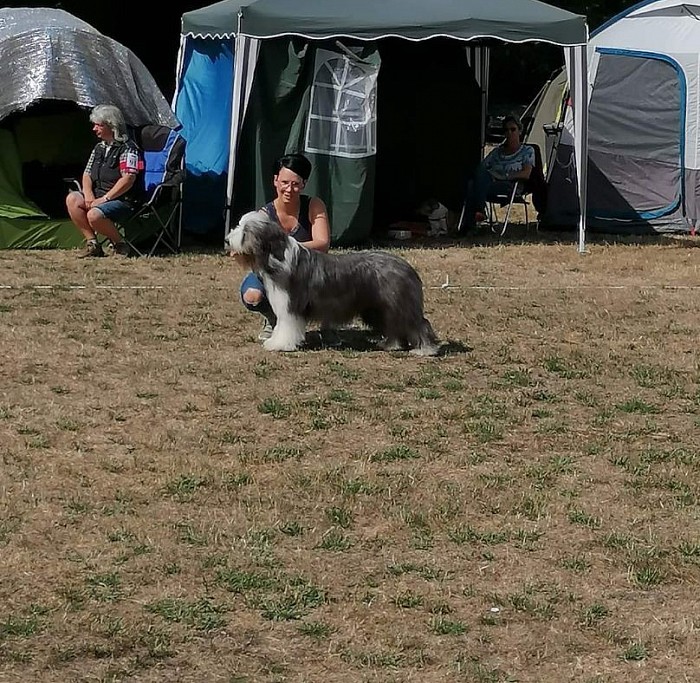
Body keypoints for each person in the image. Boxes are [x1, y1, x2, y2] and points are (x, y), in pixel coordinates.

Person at [234, 152, 331, 341]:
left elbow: (322, 243)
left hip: (307, 271)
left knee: (331, 285)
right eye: (285, 182)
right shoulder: (263, 216)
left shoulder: (314, 205)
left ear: (304, 183)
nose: (289, 189)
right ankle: (273, 319)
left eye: (295, 184)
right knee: (252, 295)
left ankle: (328, 325)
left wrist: (288, 248)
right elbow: (246, 252)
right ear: (275, 181)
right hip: (272, 273)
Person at [66, 104, 144, 257]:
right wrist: (88, 194)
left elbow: (128, 179)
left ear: (112, 126)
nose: (94, 129)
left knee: (94, 215)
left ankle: (120, 244)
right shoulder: (99, 148)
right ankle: (93, 244)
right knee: (72, 199)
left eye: (99, 125)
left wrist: (104, 199)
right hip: (99, 195)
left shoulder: (128, 149)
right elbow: (87, 174)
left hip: (122, 200)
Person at [462, 113, 538, 230]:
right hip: (491, 184)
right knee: (475, 178)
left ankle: (471, 222)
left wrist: (504, 176)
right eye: (506, 130)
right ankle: (476, 216)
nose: (510, 133)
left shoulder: (527, 151)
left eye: (513, 129)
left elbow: (526, 173)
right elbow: (482, 168)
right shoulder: (497, 152)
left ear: (520, 131)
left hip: (511, 186)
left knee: (473, 185)